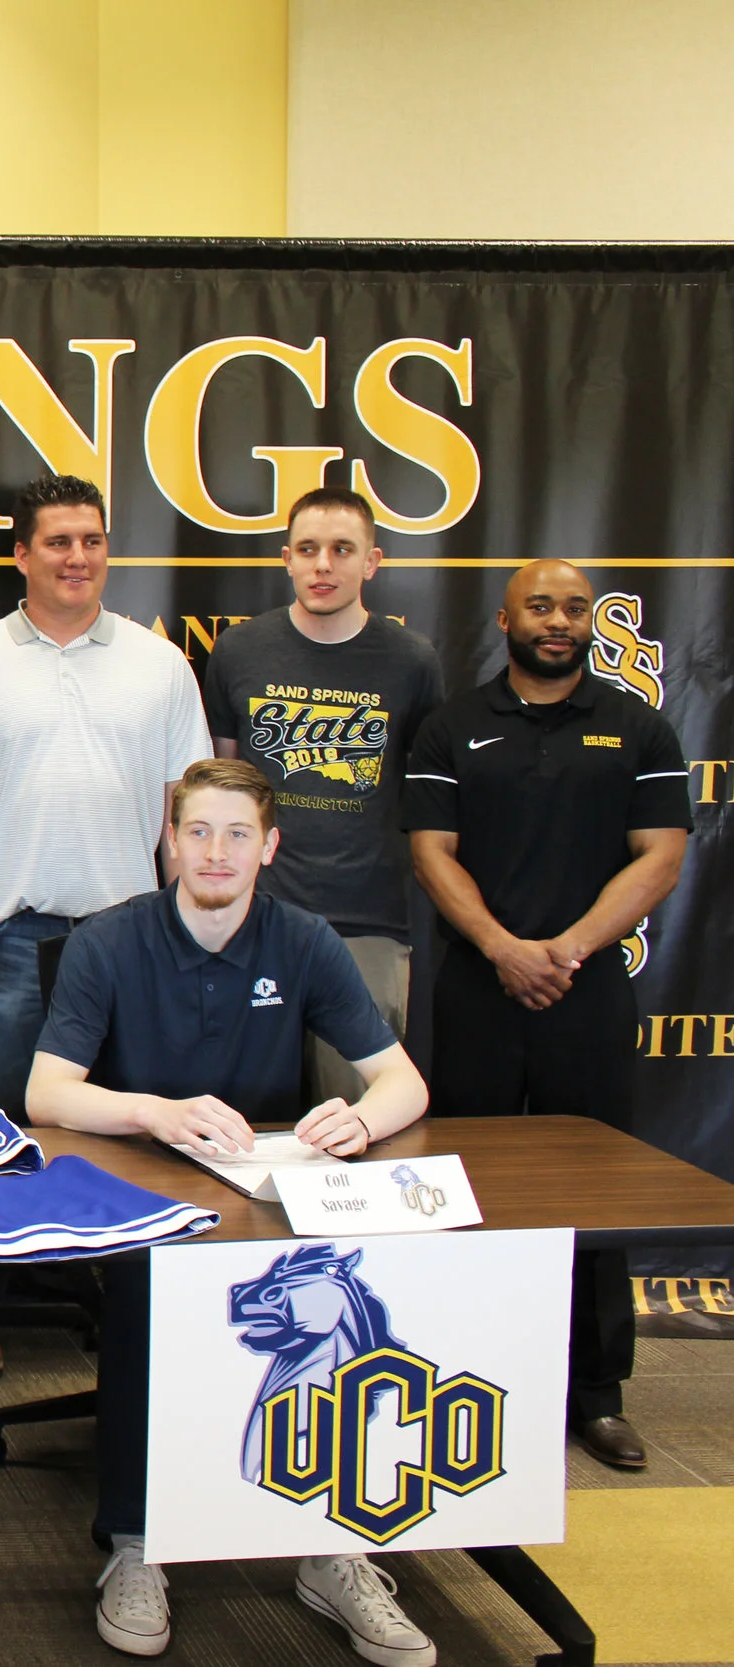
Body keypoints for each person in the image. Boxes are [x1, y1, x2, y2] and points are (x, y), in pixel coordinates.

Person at [24, 760, 434, 1663]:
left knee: (348, 1302)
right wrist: (152, 1111)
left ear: (269, 846)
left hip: (267, 1190)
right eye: (198, 831)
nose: (216, 851)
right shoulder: (108, 940)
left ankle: (334, 1544)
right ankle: (136, 1540)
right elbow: (46, 1092)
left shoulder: (305, 939)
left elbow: (402, 1082)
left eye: (237, 834)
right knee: (149, 1292)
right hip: (142, 1183)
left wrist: (363, 1120)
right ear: (169, 841)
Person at [404, 558, 690, 1472]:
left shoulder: (638, 725)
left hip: (586, 987)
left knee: (592, 1188)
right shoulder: (453, 724)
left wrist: (565, 949)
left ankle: (596, 1393)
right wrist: (502, 947)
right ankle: (465, 1366)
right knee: (464, 1186)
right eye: (540, 605)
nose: (558, 620)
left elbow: (661, 856)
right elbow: (433, 852)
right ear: (506, 619)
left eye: (574, 607)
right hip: (476, 985)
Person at [0, 473, 213, 1121]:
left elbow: (186, 813)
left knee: (132, 1129)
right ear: (21, 555)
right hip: (8, 939)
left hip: (133, 935)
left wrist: (188, 935)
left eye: (92, 541)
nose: (78, 558)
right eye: (59, 542)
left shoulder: (161, 664)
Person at [204, 487, 443, 1106]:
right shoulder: (239, 650)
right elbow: (222, 787)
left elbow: (426, 794)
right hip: (254, 918)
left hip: (368, 923)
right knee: (243, 1118)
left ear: (372, 562)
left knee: (359, 1118)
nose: (323, 565)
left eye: (342, 549)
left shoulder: (412, 661)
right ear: (287, 558)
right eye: (308, 549)